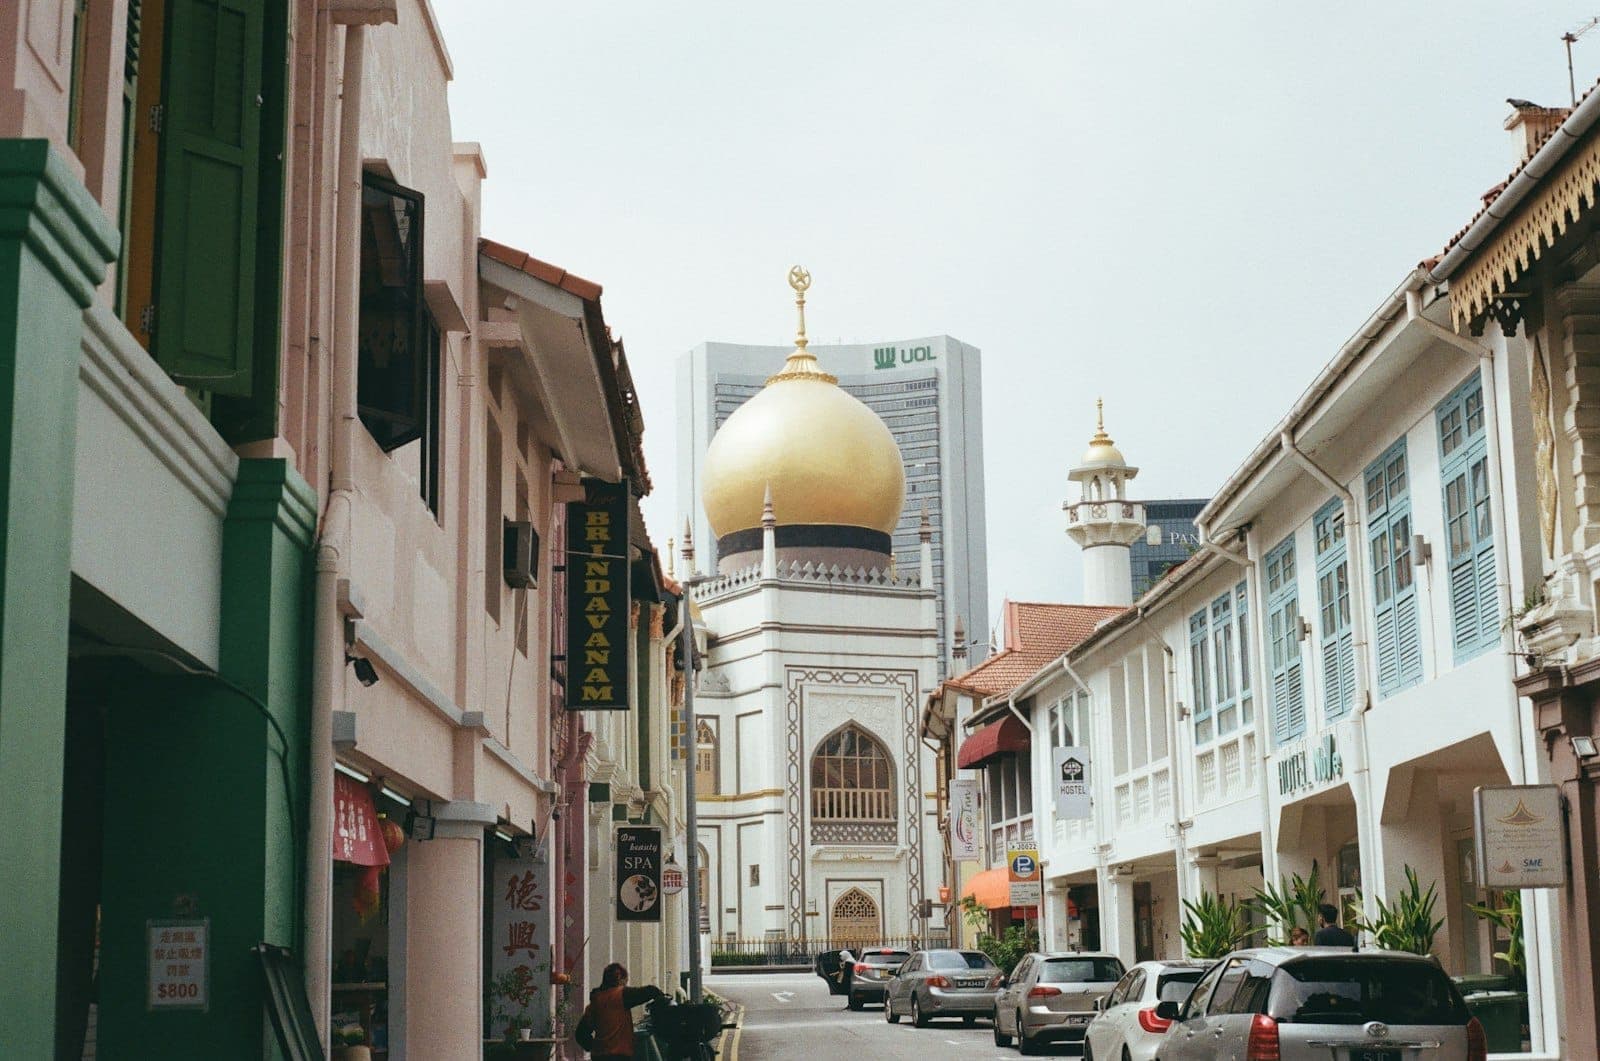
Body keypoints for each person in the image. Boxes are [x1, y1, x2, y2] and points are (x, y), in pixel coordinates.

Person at [582, 963, 666, 1061]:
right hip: (619, 1056)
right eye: (625, 982)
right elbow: (650, 991)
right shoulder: (621, 995)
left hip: (599, 1056)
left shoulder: (594, 1002)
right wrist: (662, 1000)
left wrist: (594, 1047)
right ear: (620, 979)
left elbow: (581, 1034)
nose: (625, 985)